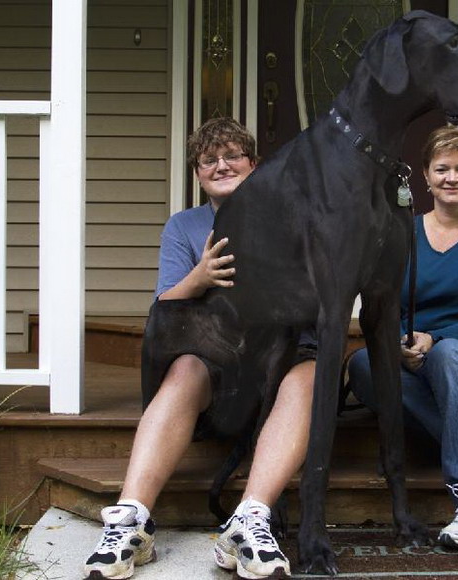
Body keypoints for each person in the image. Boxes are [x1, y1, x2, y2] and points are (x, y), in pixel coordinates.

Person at [83, 118, 314, 580]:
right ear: (197, 172)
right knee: (185, 366)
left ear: (254, 165)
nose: (221, 165)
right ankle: (131, 520)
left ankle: (250, 520)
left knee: (310, 373)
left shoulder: (290, 215)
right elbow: (164, 305)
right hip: (214, 359)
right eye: (209, 159)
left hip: (280, 354)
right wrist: (201, 277)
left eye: (232, 156)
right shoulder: (184, 226)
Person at [348, 126, 458, 550]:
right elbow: (382, 304)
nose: (452, 177)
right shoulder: (399, 234)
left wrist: (436, 338)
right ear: (425, 177)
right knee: (362, 365)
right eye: (441, 168)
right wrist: (398, 345)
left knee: (448, 355)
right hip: (412, 354)